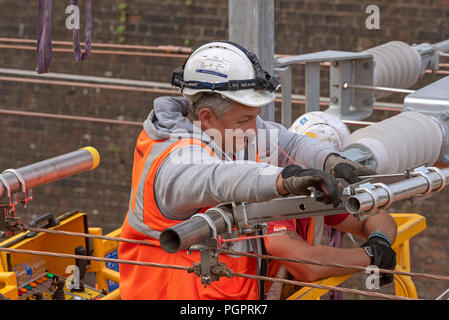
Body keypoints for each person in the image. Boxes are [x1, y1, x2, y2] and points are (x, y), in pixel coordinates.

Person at [118, 41, 377, 300]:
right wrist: (281, 179)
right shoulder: (173, 160)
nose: (255, 129)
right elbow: (217, 179)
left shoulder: (227, 129)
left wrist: (329, 160)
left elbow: (288, 142)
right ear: (207, 117)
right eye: (245, 119)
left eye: (255, 116)